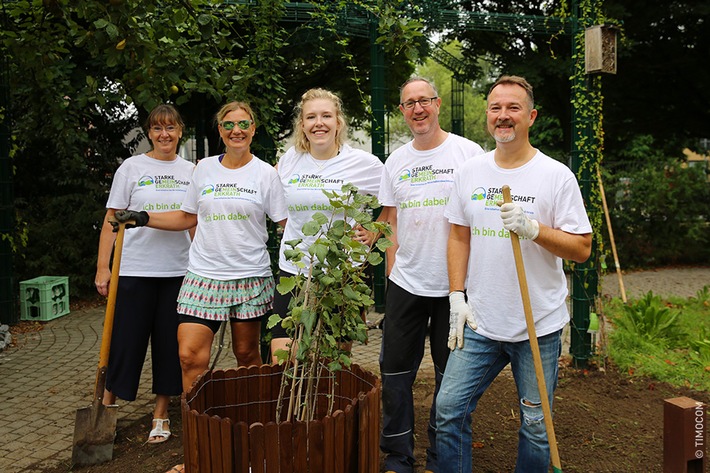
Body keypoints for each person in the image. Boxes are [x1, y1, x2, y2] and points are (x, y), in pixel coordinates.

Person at [436, 75, 593, 473]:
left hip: (537, 325)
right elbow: (458, 235)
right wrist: (457, 297)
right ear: (487, 116)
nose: (503, 116)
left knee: (537, 427)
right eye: (495, 108)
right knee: (448, 410)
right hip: (481, 323)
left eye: (513, 108)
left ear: (531, 116)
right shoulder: (470, 172)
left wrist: (534, 230)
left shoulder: (555, 176)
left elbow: (582, 248)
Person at [114, 100, 287, 394]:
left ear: (253, 129)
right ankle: (200, 425)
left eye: (244, 124)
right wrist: (143, 218)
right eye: (229, 124)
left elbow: (285, 224)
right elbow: (186, 217)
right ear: (220, 130)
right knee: (189, 355)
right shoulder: (204, 169)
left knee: (246, 355)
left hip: (250, 276)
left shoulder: (265, 174)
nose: (237, 130)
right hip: (204, 276)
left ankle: (255, 418)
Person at [378, 77, 485, 473]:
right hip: (407, 283)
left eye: (424, 101)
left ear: (437, 104)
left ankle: (444, 456)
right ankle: (397, 456)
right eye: (409, 104)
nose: (417, 109)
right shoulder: (396, 161)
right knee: (395, 374)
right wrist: (392, 271)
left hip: (456, 288)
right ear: (402, 111)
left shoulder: (468, 154)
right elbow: (388, 219)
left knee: (452, 379)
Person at [95, 104, 193, 444]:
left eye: (170, 128)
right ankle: (106, 410)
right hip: (134, 270)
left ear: (181, 131)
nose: (164, 134)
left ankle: (161, 414)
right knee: (125, 342)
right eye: (157, 128)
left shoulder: (192, 171)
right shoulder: (132, 167)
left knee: (169, 345)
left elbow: (194, 222)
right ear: (149, 133)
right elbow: (111, 220)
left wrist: (199, 267)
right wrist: (103, 268)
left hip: (177, 272)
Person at [270, 87, 383, 361]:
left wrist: (375, 230)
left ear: (338, 122)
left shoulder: (362, 163)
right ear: (302, 125)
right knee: (284, 357)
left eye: (326, 116)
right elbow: (273, 200)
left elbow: (399, 197)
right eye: (311, 117)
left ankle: (328, 406)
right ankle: (292, 406)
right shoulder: (289, 161)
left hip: (341, 274)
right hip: (295, 270)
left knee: (334, 360)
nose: (318, 123)